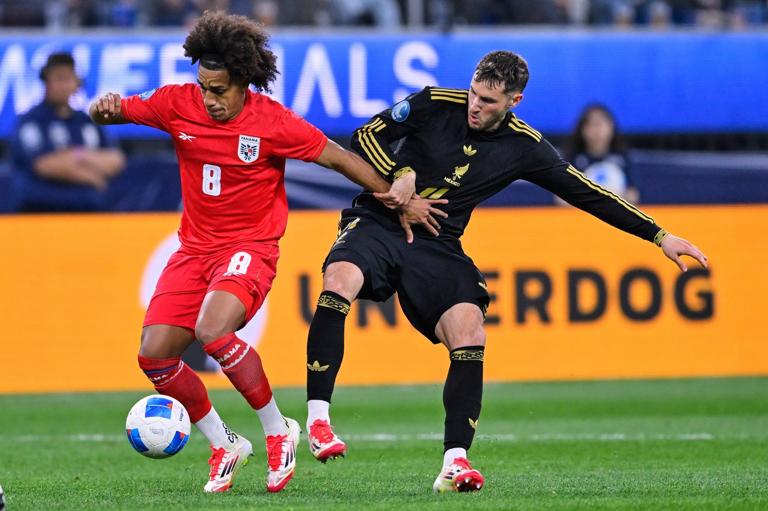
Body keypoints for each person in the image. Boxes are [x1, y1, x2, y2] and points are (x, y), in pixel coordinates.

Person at [304, 50, 708, 493]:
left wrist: (659, 235)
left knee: (470, 330)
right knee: (340, 278)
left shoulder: (525, 147)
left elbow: (587, 193)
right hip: (380, 220)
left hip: (437, 240)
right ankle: (319, 420)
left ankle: (455, 462)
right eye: (475, 94)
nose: (475, 106)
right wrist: (400, 174)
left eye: (490, 102)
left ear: (514, 101)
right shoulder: (435, 101)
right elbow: (365, 135)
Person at [89, 11, 427, 494]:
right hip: (193, 250)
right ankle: (225, 443)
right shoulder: (175, 103)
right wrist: (102, 109)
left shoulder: (272, 122)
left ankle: (277, 431)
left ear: (244, 81)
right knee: (154, 357)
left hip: (250, 247)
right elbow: (118, 108)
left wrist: (396, 196)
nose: (210, 99)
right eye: (204, 87)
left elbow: (340, 157)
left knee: (212, 329)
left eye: (220, 90)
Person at [10, 52, 125, 212]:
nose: (64, 85)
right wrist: (90, 176)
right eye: (58, 78)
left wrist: (77, 154)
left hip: (88, 212)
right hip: (40, 213)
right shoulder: (32, 121)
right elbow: (44, 165)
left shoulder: (87, 121)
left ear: (77, 83)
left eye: (68, 79)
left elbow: (115, 159)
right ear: (46, 82)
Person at [565, 103, 639, 204]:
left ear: (611, 127)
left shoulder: (623, 157)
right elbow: (560, 199)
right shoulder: (572, 160)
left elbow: (633, 194)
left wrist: (616, 197)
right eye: (591, 125)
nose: (597, 131)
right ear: (582, 130)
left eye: (601, 124)